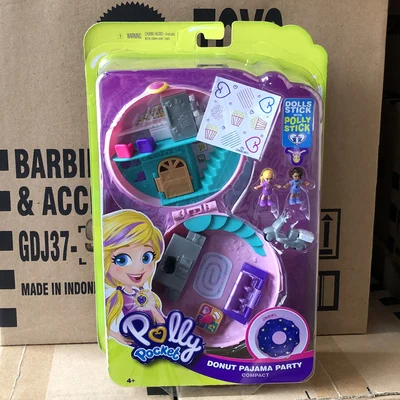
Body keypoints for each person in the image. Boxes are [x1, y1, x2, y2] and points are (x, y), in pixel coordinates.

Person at [103, 209, 165, 345]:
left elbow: (164, 327)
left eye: (146, 257)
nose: (139, 268)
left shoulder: (147, 297)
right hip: (131, 348)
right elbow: (100, 326)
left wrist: (153, 309)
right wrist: (115, 335)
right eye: (122, 260)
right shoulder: (112, 298)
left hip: (152, 345)